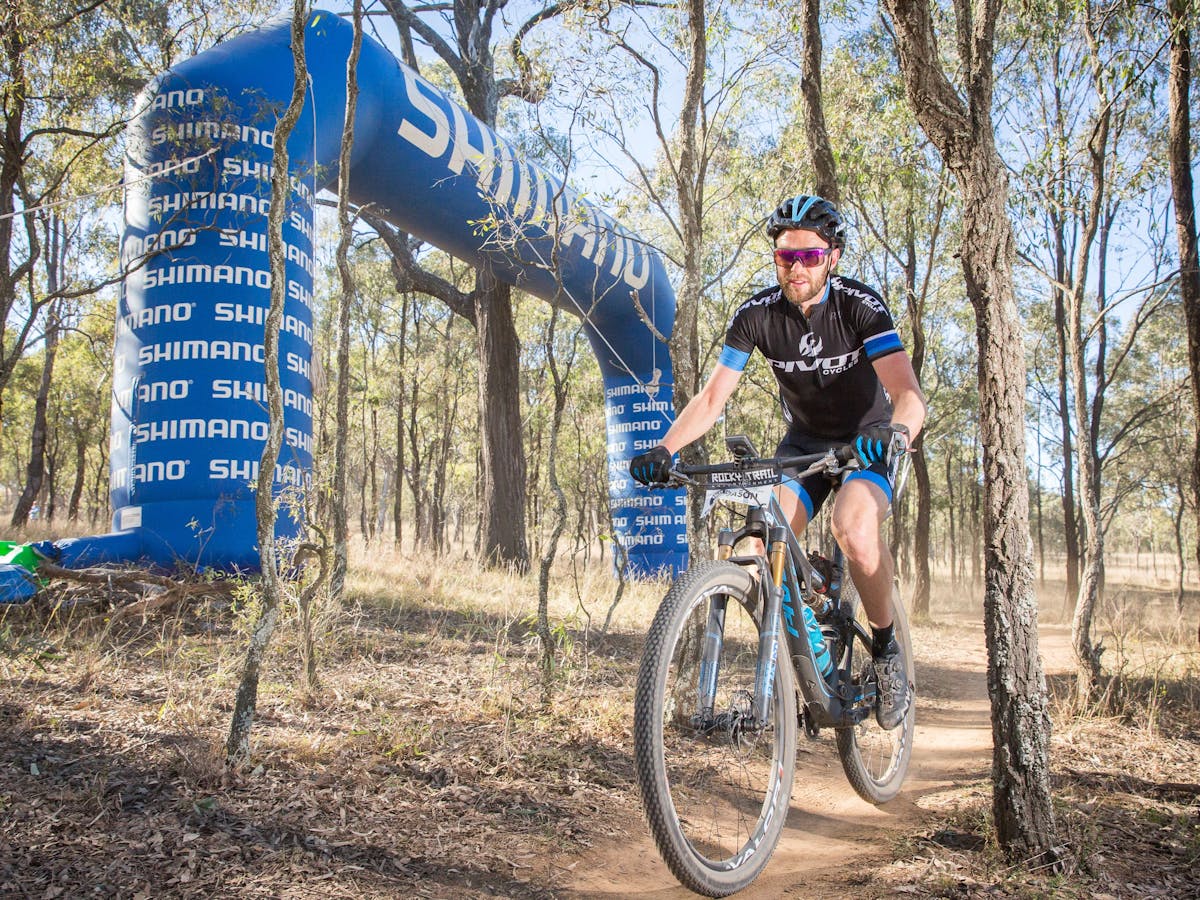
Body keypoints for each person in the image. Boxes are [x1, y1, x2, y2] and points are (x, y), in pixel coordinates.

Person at [628, 194, 927, 730]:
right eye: (785, 257)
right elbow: (711, 400)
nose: (796, 268)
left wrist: (896, 433)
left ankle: (885, 653)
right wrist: (665, 448)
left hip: (867, 440)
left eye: (809, 257)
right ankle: (813, 648)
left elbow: (909, 394)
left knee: (852, 527)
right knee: (770, 544)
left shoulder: (861, 306)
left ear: (832, 257)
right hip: (806, 443)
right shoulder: (757, 316)